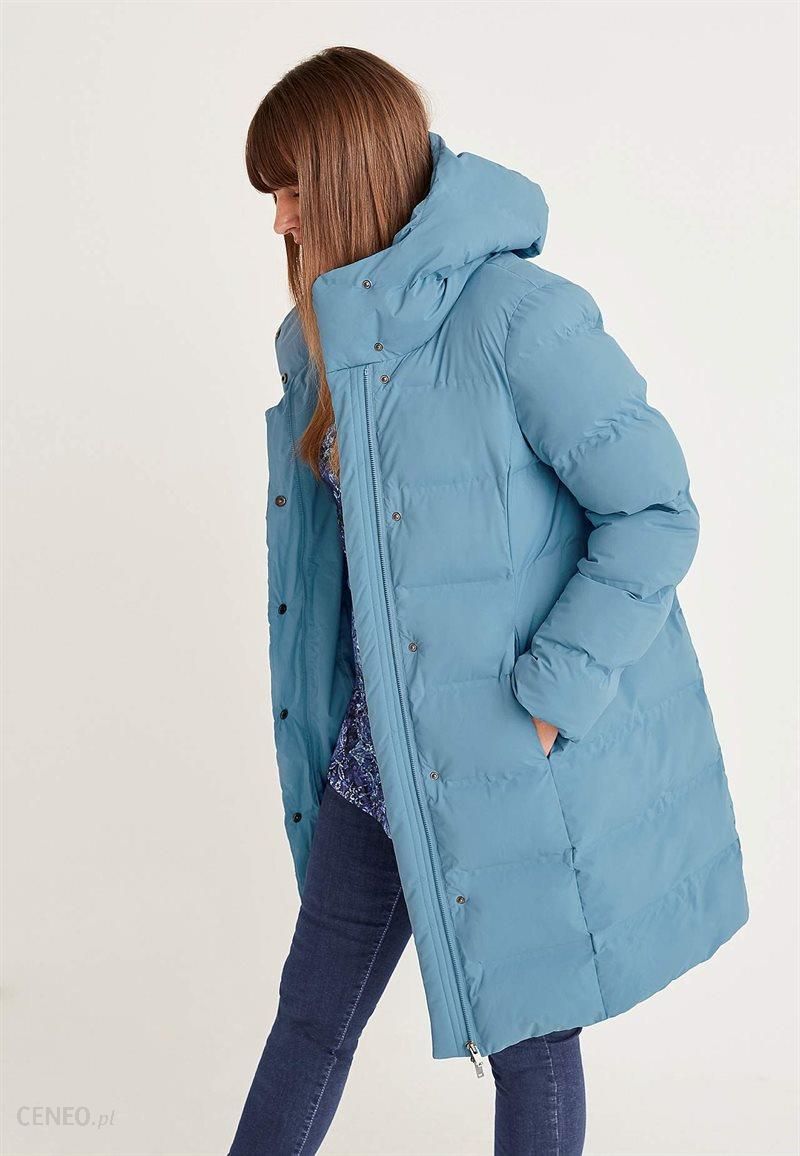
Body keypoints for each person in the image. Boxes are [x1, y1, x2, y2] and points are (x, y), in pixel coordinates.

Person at [228, 45, 748, 1156]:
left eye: (291, 189)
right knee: (308, 1022)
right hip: (373, 763)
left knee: (528, 1047)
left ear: (348, 174)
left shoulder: (513, 314)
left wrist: (548, 701)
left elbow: (654, 511)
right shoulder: (326, 348)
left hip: (499, 757)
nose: (280, 221)